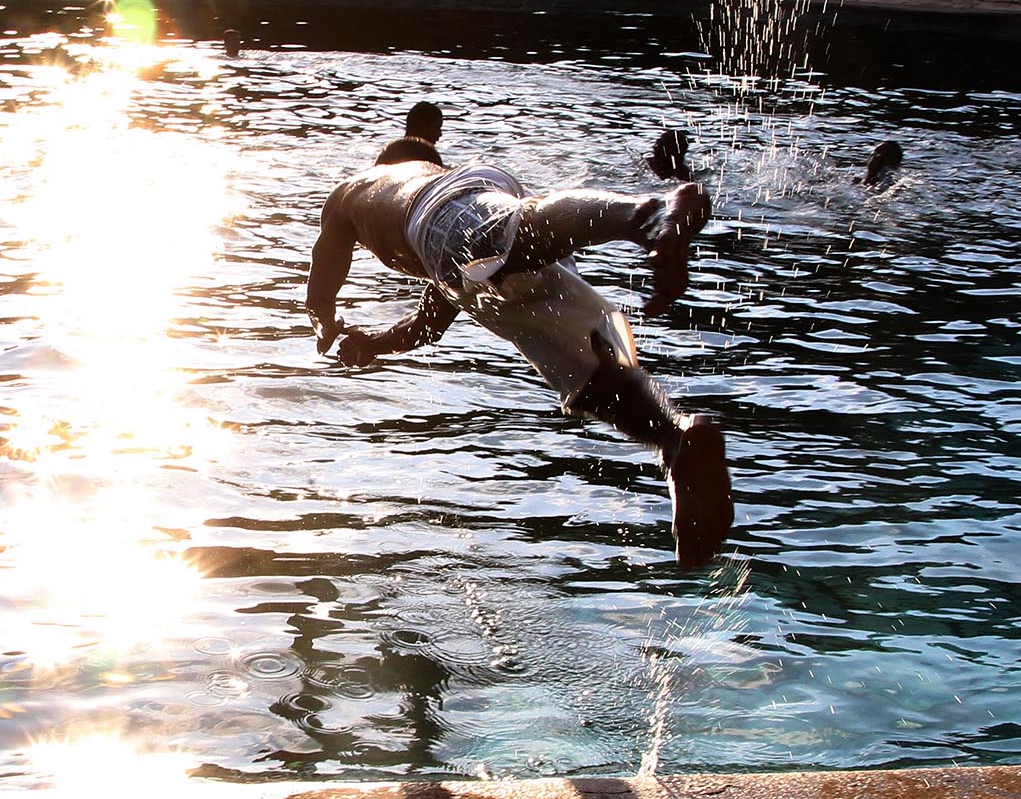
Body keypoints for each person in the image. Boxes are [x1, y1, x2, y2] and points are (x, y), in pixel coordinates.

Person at [306, 152, 732, 567]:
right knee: (586, 372)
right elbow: (428, 325)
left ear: (387, 162)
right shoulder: (442, 249)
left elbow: (324, 268)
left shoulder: (356, 189)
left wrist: (323, 320)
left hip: (457, 209)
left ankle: (648, 214)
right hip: (476, 237)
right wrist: (373, 344)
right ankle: (674, 439)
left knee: (507, 229)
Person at [376, 101, 446, 167]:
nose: (440, 134)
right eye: (437, 128)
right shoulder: (431, 156)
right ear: (422, 127)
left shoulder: (388, 152)